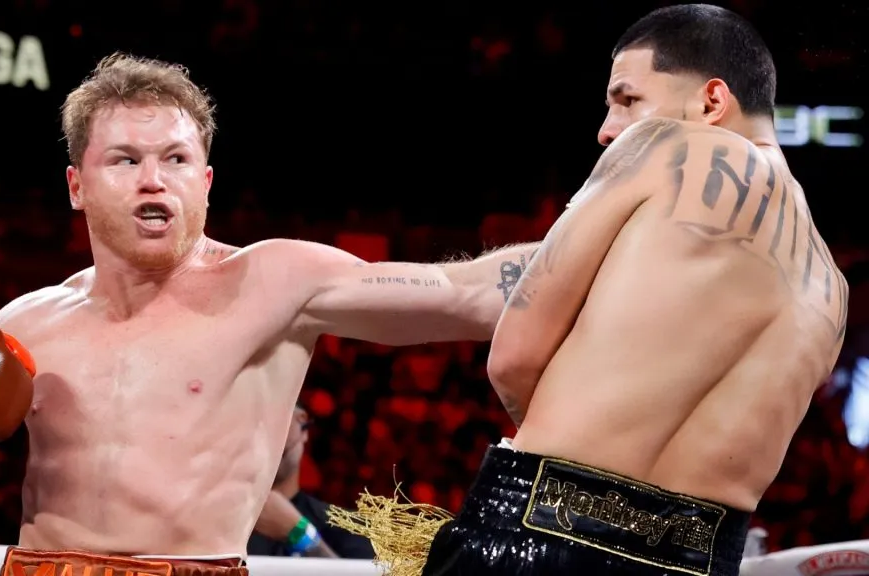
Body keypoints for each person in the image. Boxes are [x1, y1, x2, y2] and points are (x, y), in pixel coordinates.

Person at [0, 53, 539, 575]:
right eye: (126, 160)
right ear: (77, 186)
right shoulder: (29, 322)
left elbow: (468, 293)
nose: (153, 179)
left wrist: (614, 223)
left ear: (205, 181)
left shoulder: (273, 285)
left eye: (176, 159)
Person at [341, 5, 848, 576]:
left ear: (711, 101)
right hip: (699, 560)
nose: (607, 128)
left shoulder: (667, 146)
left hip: (542, 526)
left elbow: (513, 359)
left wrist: (573, 440)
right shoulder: (832, 288)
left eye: (626, 98)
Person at [247, 404, 375, 559]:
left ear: (302, 423)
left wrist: (302, 536)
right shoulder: (214, 524)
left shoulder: (350, 527)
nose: (262, 435)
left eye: (274, 418)